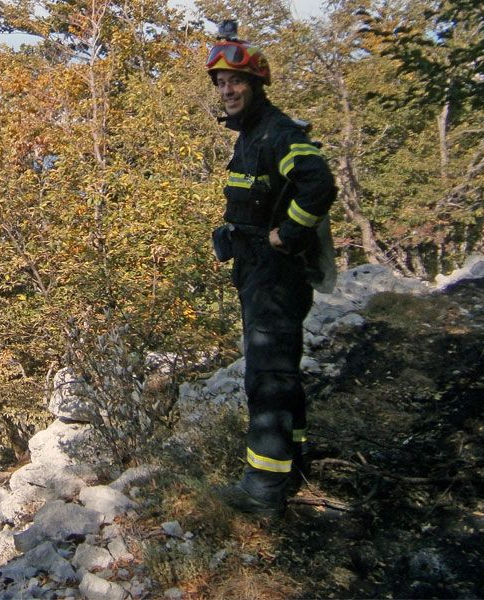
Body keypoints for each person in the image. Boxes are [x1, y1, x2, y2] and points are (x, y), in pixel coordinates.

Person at [207, 22, 338, 519]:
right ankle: (292, 459)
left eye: (236, 81)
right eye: (221, 83)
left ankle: (263, 488)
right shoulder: (250, 135)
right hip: (256, 268)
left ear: (257, 85)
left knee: (267, 375)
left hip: (276, 273)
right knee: (279, 370)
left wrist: (289, 233)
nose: (227, 90)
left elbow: (319, 186)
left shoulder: (277, 132)